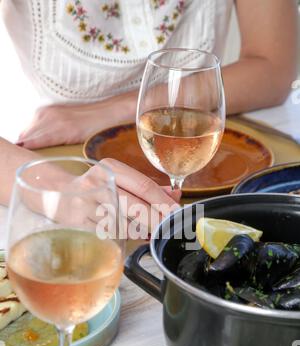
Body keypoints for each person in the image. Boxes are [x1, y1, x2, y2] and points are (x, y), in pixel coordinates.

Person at [0, 0, 298, 221]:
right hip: (53, 168)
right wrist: (58, 191)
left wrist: (125, 108)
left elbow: (273, 67)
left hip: (212, 165)